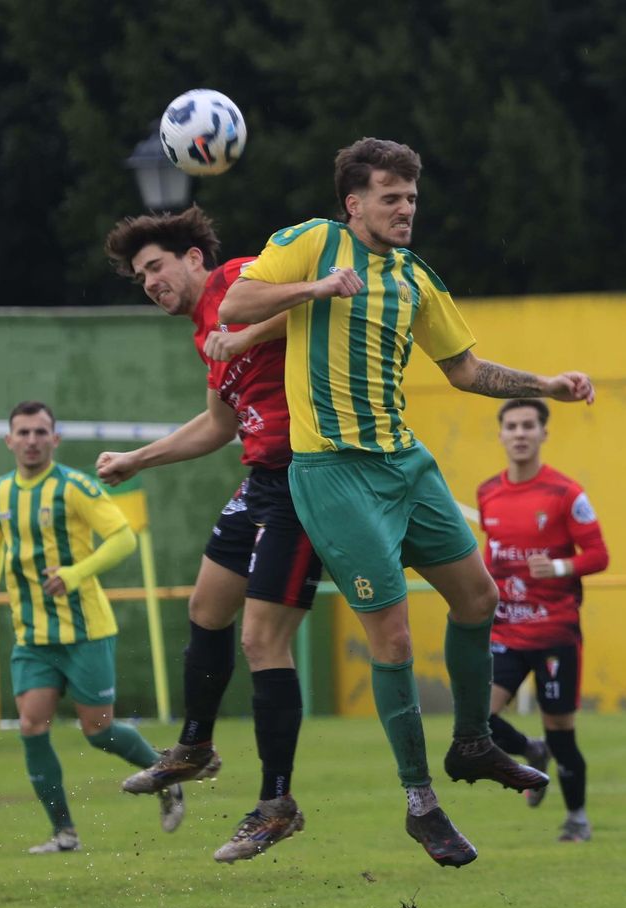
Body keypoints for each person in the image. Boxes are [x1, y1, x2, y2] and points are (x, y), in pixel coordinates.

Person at [218, 137, 594, 867]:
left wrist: (544, 385)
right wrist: (314, 290)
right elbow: (236, 302)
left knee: (478, 597)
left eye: (412, 197)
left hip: (404, 463)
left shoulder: (415, 277)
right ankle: (421, 802)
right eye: (391, 196)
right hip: (331, 473)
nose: (405, 208)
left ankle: (472, 743)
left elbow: (467, 369)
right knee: (391, 638)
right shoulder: (309, 242)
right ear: (354, 203)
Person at [98, 206, 320, 864]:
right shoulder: (204, 332)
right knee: (206, 608)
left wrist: (246, 336)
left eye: (156, 266)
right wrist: (139, 459)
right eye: (140, 276)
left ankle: (277, 803)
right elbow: (218, 425)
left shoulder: (240, 277)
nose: (149, 282)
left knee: (260, 639)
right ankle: (195, 748)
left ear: (194, 259)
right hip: (259, 477)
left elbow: (315, 304)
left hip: (305, 476)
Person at [0, 400, 176, 853]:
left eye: (40, 432)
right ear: (9, 441)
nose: (31, 441)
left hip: (86, 630)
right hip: (32, 635)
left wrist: (74, 574)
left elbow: (123, 537)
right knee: (31, 724)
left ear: (55, 439)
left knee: (99, 731)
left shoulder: (75, 488)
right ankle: (64, 832)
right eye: (23, 433)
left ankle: (167, 774)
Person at [477, 398, 610, 842]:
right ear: (500, 434)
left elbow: (598, 556)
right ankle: (529, 751)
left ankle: (577, 819)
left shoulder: (566, 494)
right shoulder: (488, 492)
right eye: (511, 426)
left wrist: (555, 568)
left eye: (528, 426)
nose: (519, 433)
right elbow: (492, 553)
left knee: (562, 731)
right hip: (506, 631)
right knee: (477, 717)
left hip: (554, 633)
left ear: (543, 433)